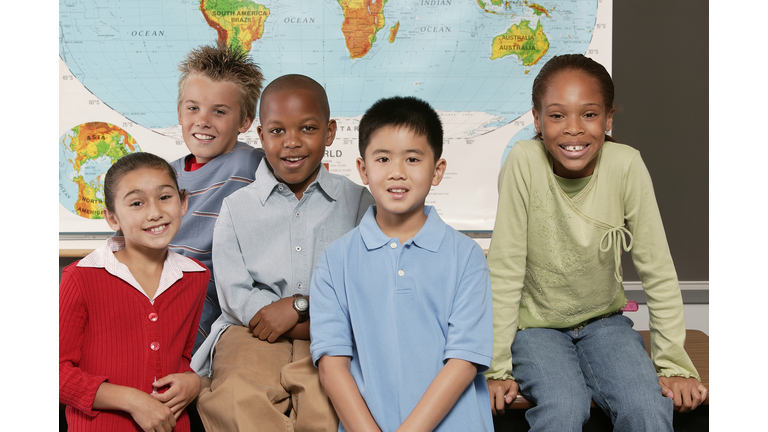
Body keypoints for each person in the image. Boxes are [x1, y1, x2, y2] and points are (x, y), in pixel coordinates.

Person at [484, 54, 708, 431]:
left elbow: (657, 268)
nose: (573, 129)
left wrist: (673, 365)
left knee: (647, 410)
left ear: (608, 120)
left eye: (588, 115)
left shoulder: (626, 165)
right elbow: (505, 269)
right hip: (535, 329)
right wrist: (496, 367)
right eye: (557, 116)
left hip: (605, 324)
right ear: (537, 120)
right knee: (564, 408)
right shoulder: (523, 161)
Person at [191, 74, 375, 431]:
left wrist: (297, 307)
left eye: (307, 128)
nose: (292, 142)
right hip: (251, 332)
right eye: (277, 131)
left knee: (327, 409)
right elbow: (234, 292)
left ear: (330, 132)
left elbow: (364, 284)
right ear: (260, 136)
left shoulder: (359, 202)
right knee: (238, 399)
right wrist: (272, 314)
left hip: (328, 332)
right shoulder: (236, 207)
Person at [310, 96, 495, 432]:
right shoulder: (335, 261)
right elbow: (331, 365)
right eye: (383, 158)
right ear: (363, 169)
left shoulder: (466, 256)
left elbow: (464, 360)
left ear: (437, 171)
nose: (397, 172)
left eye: (412, 158)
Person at [60, 152, 208, 432]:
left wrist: (193, 380)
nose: (155, 212)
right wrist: (131, 400)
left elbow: (180, 358)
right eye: (137, 203)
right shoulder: (81, 277)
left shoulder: (195, 277)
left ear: (183, 202)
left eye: (165, 197)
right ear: (112, 218)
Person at [169, 43, 265, 354]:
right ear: (180, 111)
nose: (203, 120)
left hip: (206, 303)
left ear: (245, 121)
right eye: (192, 108)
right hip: (151, 289)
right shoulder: (162, 176)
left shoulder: (253, 164)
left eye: (219, 111)